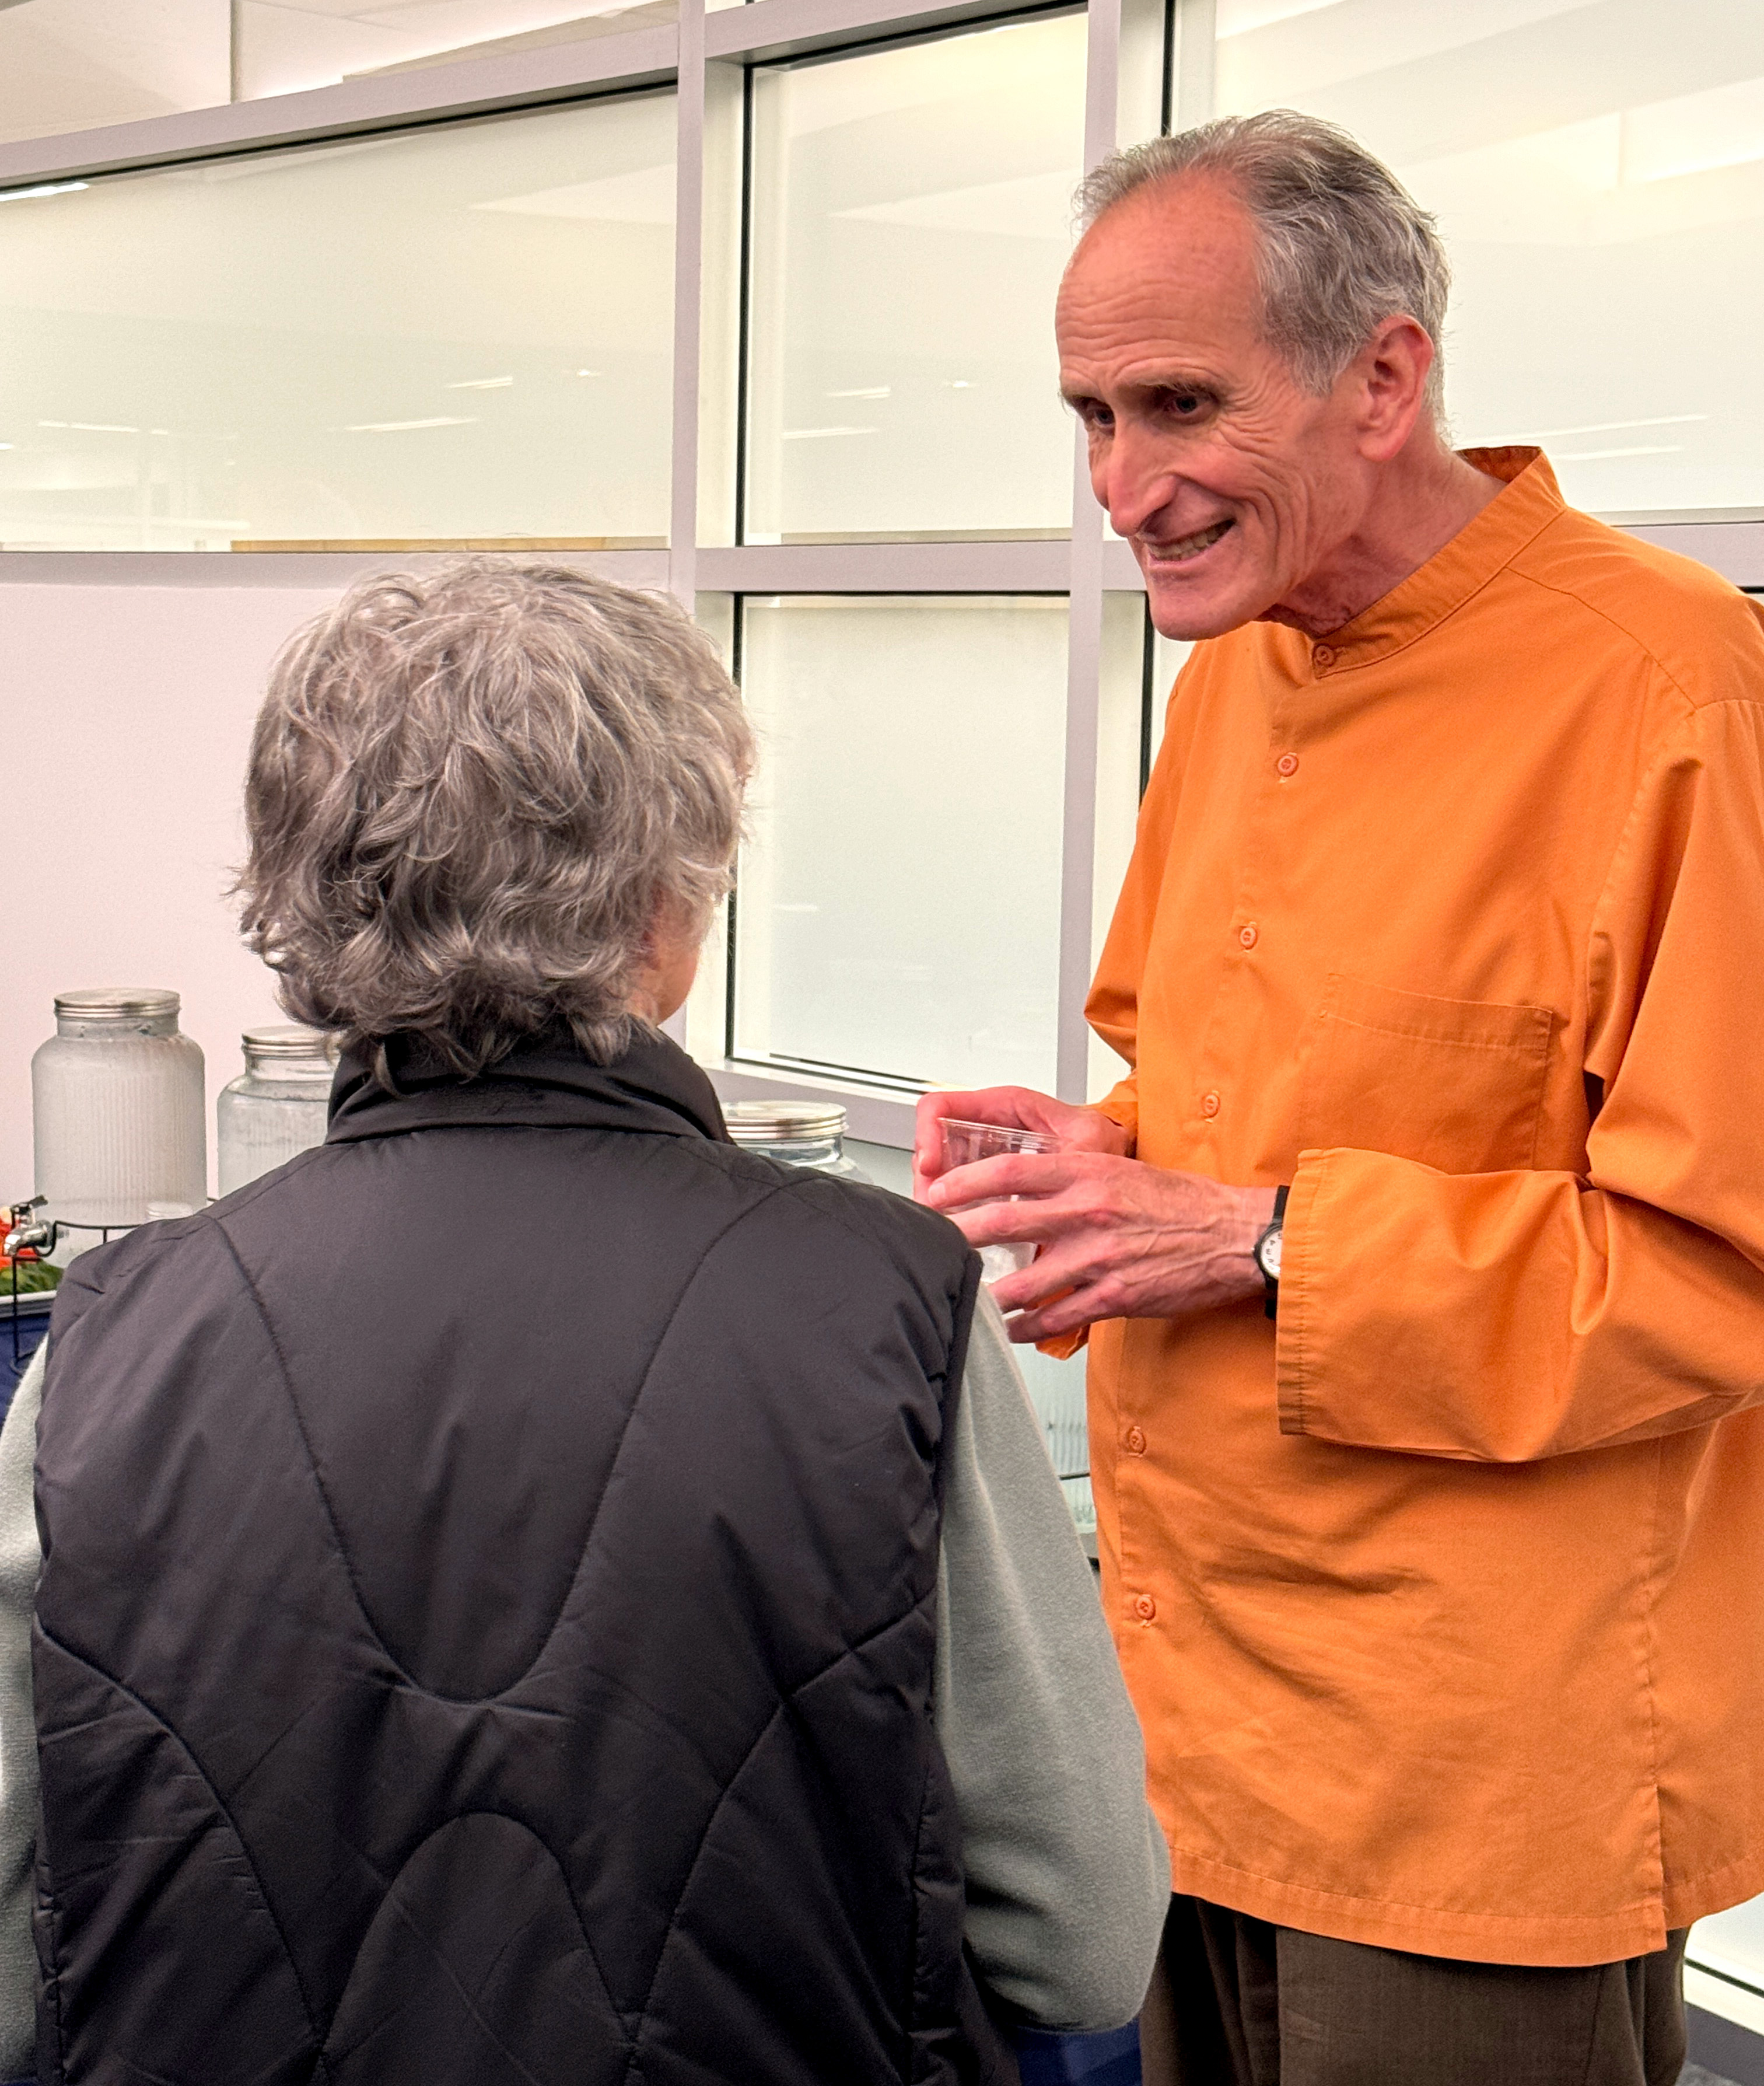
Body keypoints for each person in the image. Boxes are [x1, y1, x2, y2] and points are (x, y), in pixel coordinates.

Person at [0, 561, 1168, 2085]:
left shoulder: (107, 1341)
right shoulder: (901, 1307)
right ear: (668, 911)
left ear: (306, 901)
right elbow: (1080, 1932)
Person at [915, 111, 1764, 2086]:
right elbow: (1237, 1094)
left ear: (1383, 375)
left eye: (1181, 404)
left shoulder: (1681, 697)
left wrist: (1258, 1235)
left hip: (1467, 1785)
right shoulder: (1238, 664)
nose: (1125, 487)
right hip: (1174, 1719)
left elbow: (1720, 1264)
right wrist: (1105, 1167)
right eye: (1093, 416)